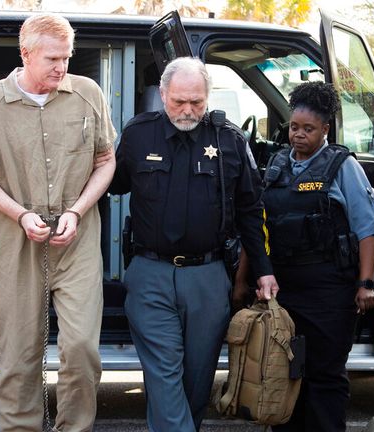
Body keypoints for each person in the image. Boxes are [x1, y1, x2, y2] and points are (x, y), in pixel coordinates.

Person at [0, 13, 117, 432]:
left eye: (66, 57)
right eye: (52, 58)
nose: (61, 67)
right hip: (18, 240)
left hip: (78, 239)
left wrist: (77, 210)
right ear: (25, 53)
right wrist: (20, 213)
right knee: (18, 355)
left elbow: (106, 160)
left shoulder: (88, 93)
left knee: (83, 348)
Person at [109, 57, 278, 432]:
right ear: (163, 94)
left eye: (197, 103)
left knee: (196, 381)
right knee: (165, 375)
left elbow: (252, 210)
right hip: (150, 274)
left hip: (208, 276)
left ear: (208, 98)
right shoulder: (138, 135)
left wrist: (264, 271)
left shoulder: (230, 140)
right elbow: (109, 183)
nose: (188, 110)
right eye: (179, 101)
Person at [260, 81, 374, 431]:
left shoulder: (343, 166)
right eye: (294, 128)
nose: (298, 135)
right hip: (285, 291)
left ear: (325, 130)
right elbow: (259, 228)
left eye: (308, 129)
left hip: (328, 292)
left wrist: (366, 284)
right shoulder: (277, 165)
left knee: (324, 378)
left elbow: (368, 229)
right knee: (283, 375)